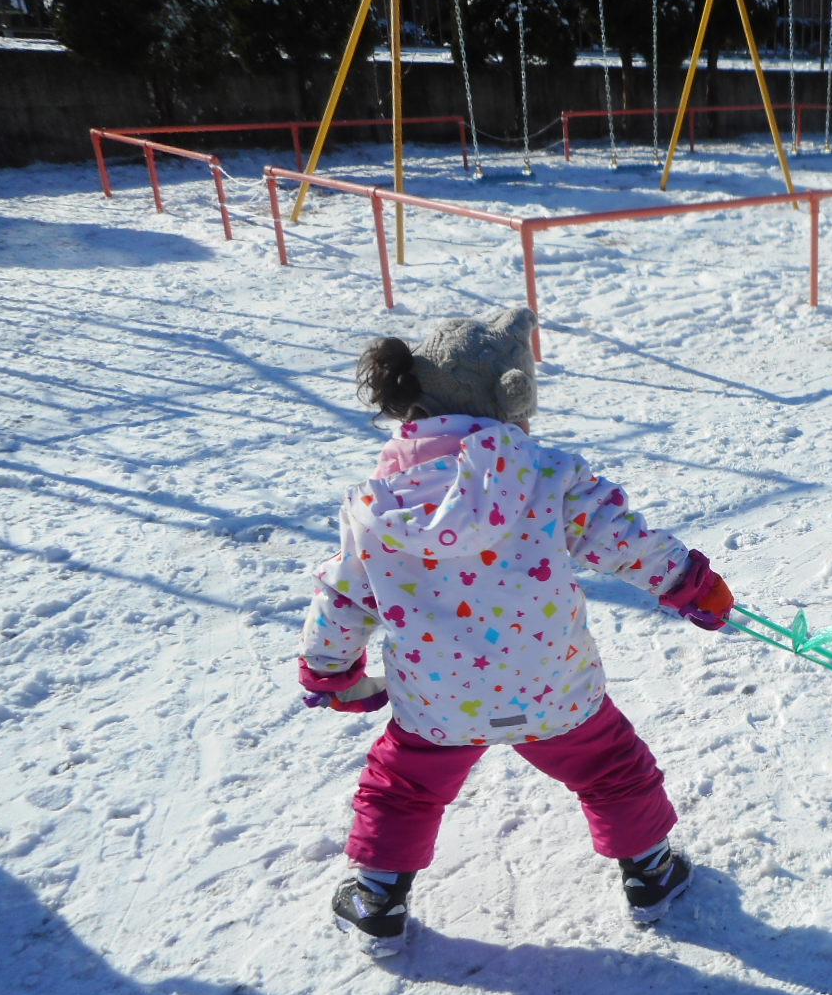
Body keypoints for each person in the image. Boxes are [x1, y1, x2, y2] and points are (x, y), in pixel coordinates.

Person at [298, 306, 733, 956]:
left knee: (403, 788)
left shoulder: (378, 502)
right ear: (514, 399)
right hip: (553, 687)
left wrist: (329, 670)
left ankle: (376, 899)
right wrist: (691, 585)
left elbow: (344, 596)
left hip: (437, 700)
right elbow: (622, 540)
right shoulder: (547, 474)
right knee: (612, 768)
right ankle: (650, 873)